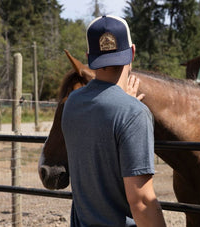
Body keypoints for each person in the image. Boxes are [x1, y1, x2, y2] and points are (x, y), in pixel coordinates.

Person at [61, 15, 166, 227]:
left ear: (90, 57)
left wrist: (124, 102)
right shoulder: (133, 112)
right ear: (132, 52)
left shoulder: (72, 103)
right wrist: (128, 105)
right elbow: (142, 202)